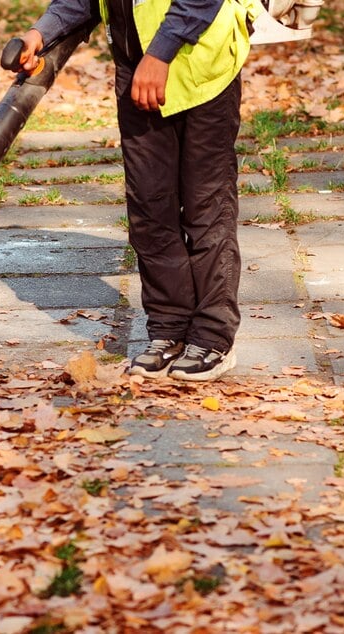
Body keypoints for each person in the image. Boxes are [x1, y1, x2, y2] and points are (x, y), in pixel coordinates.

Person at [20, 0, 261, 381]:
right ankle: (169, 330)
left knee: (206, 208)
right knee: (150, 210)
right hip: (139, 73)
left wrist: (161, 53)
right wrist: (41, 32)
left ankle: (214, 338)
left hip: (199, 67)